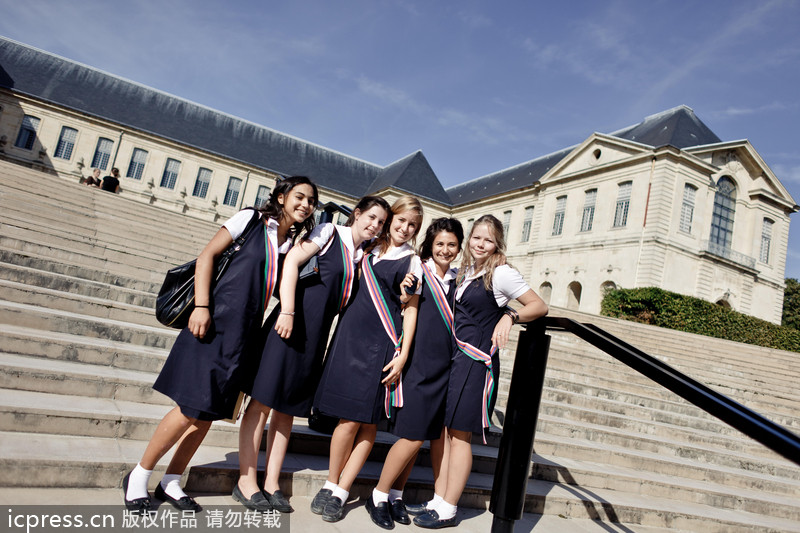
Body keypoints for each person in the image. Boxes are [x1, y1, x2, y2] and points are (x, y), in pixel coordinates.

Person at [121, 176, 318, 514]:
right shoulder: (251, 220)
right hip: (212, 325)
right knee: (188, 409)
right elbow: (207, 256)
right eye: (299, 197)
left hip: (243, 338)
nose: (305, 205)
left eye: (311, 201)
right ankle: (138, 476)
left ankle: (172, 480)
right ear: (282, 197)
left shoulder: (288, 245)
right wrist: (201, 306)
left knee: (206, 416)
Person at [234, 196, 390, 513]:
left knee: (287, 408)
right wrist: (288, 311)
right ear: (357, 214)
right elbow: (291, 262)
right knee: (261, 403)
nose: (374, 225)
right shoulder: (328, 232)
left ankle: (272, 482)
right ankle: (246, 481)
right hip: (288, 326)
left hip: (315, 338)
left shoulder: (362, 257)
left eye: (381, 222)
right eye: (371, 217)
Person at [413, 214, 548, 529]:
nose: (480, 244)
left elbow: (539, 305)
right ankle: (439, 497)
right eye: (476, 238)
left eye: (487, 240)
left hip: (477, 365)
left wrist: (510, 316)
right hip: (457, 361)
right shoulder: (467, 271)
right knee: (447, 434)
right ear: (469, 239)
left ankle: (449, 508)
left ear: (496, 244)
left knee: (460, 437)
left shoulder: (501, 274)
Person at [311, 196, 424, 523]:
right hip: (348, 339)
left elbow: (411, 309)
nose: (405, 228)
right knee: (345, 419)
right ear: (391, 219)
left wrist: (402, 355)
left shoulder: (411, 261)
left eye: (412, 225)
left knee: (365, 422)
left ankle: (343, 489)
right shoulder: (368, 247)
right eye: (401, 220)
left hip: (381, 346)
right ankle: (331, 481)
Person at [367, 218, 464, 529]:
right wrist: (406, 295)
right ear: (429, 245)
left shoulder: (459, 279)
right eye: (440, 244)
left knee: (425, 435)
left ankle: (396, 493)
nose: (445, 250)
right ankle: (378, 494)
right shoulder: (419, 269)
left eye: (451, 244)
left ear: (459, 247)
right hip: (420, 363)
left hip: (447, 366)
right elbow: (406, 301)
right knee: (411, 436)